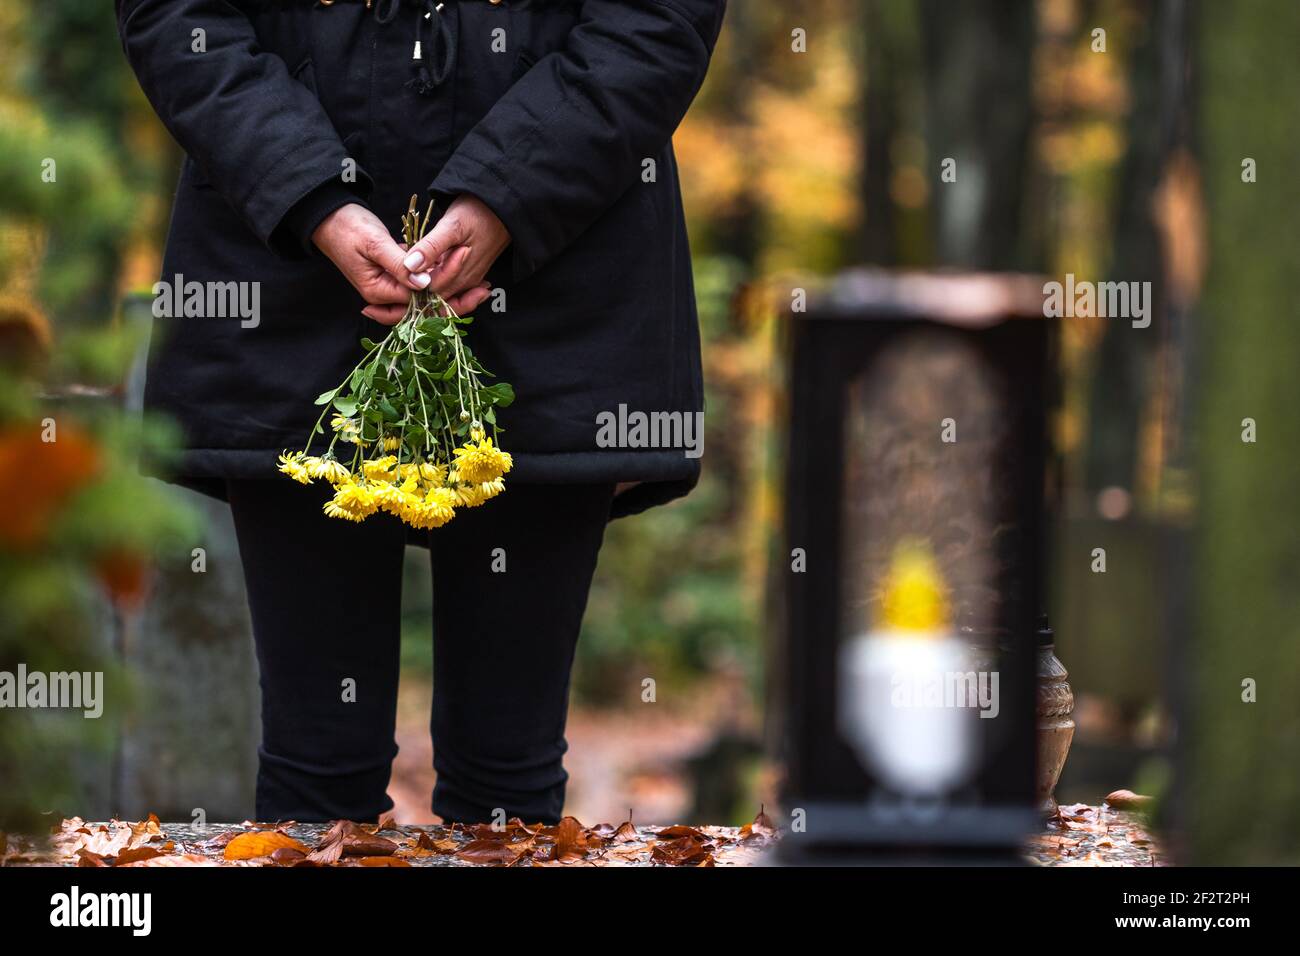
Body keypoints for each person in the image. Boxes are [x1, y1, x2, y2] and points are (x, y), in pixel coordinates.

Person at [115, 0, 726, 824]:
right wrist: (311, 198)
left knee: (506, 777)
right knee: (314, 770)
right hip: (288, 282)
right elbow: (177, 15)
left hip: (559, 278)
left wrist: (509, 195)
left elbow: (656, 20)